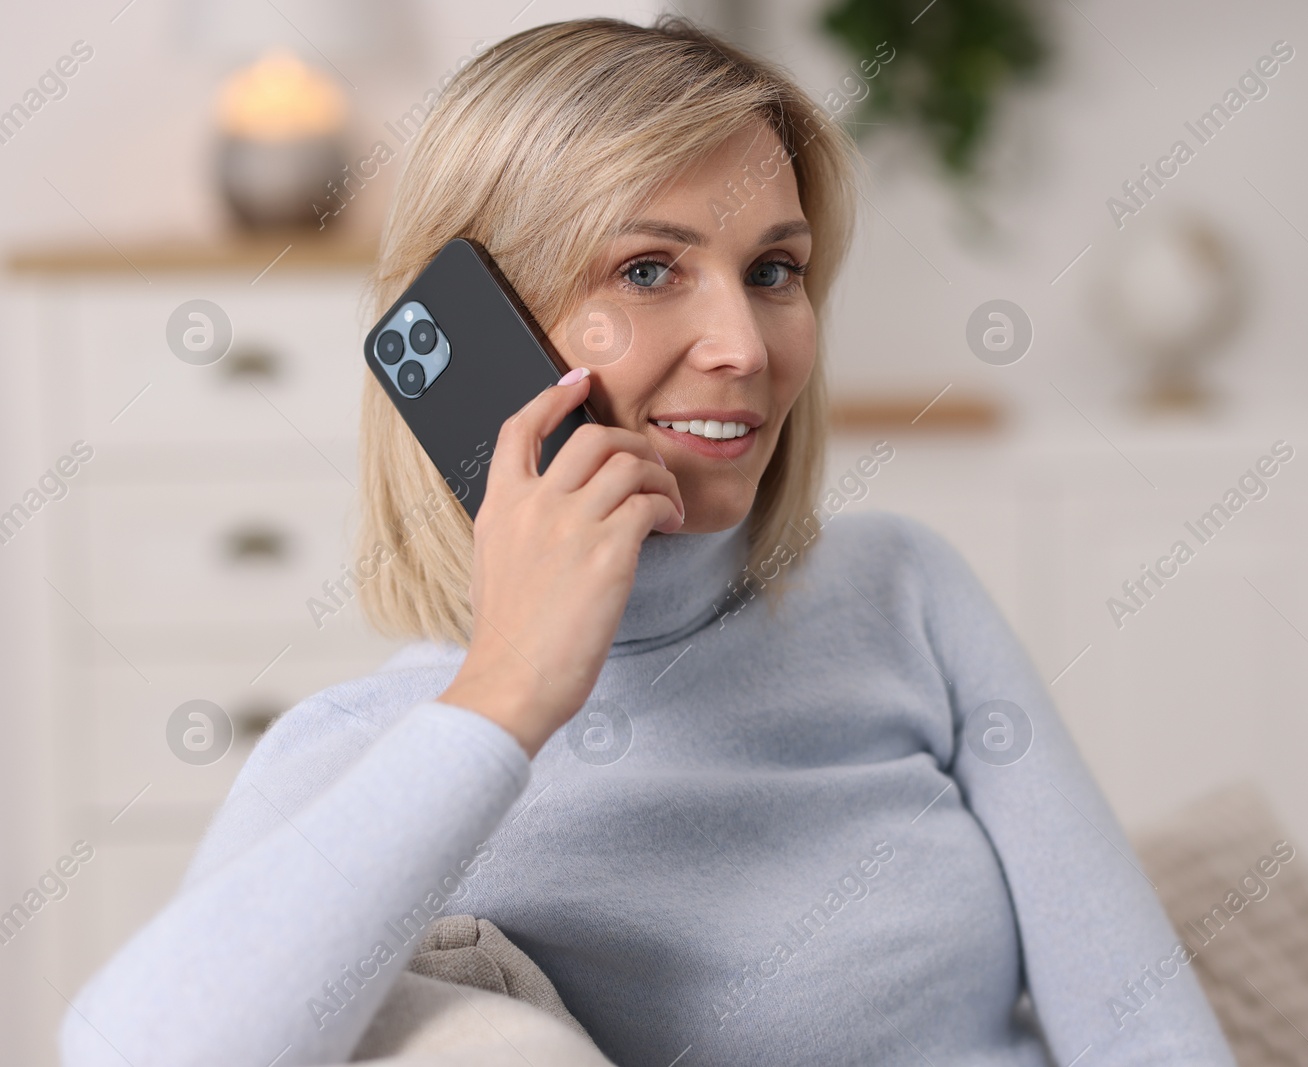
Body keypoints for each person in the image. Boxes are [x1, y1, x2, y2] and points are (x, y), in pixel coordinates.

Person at [59, 15, 1237, 1066]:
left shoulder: (904, 590)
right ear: (484, 329)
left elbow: (1135, 1019)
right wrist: (511, 693)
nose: (742, 343)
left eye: (774, 269)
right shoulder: (374, 749)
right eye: (647, 268)